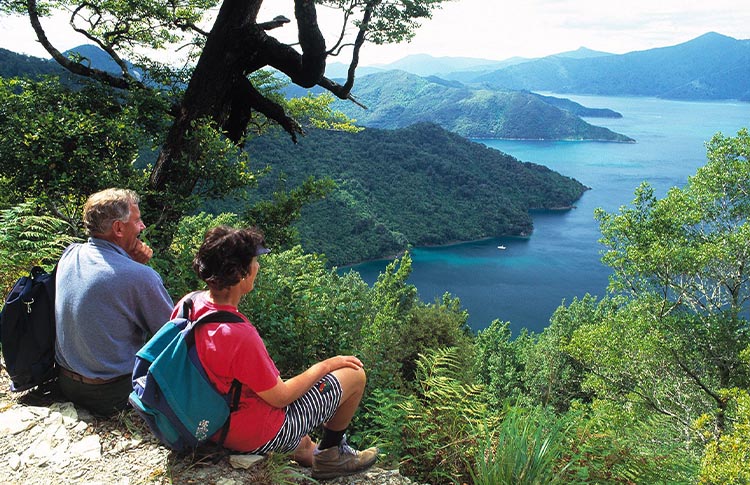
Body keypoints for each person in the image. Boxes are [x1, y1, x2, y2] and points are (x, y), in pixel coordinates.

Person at [177, 225, 377, 480]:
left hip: (205, 421)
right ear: (240, 275)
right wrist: (327, 365)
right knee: (354, 374)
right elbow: (280, 397)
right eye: (254, 262)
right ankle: (331, 456)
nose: (258, 267)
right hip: (242, 433)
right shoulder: (239, 335)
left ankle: (309, 452)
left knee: (301, 436)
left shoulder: (189, 302)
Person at [55, 188, 173, 416]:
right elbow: (171, 335)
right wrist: (139, 268)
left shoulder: (70, 254)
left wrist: (131, 261)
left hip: (67, 382)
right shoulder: (140, 277)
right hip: (111, 393)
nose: (142, 227)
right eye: (137, 220)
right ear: (118, 228)